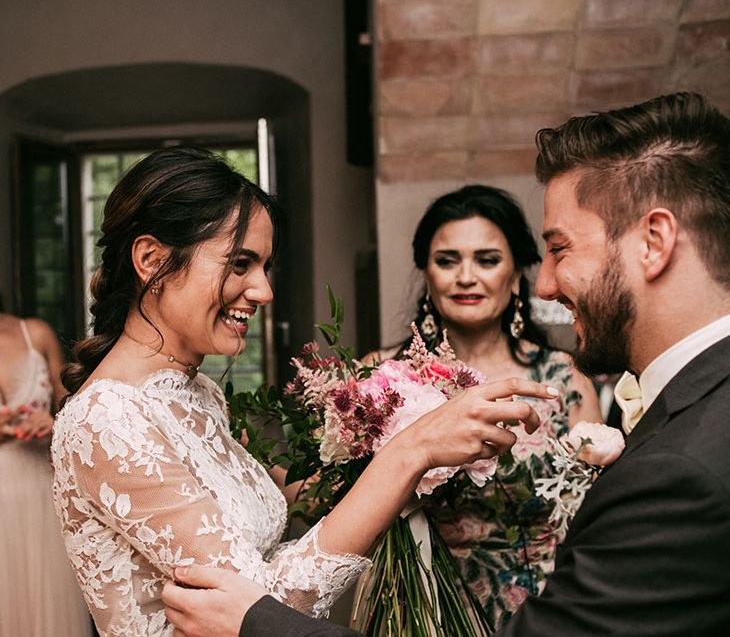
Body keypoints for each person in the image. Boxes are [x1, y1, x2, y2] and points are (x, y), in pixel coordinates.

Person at [162, 92, 730, 637]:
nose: (548, 284)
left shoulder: (675, 465)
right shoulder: (379, 375)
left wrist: (259, 624)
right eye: (447, 260)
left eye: (558, 249)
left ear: (654, 241)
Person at [50, 146, 552, 637]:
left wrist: (379, 454)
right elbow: (256, 611)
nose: (264, 291)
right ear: (152, 259)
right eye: (240, 263)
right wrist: (408, 452)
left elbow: (258, 565)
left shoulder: (197, 393)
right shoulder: (108, 419)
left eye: (264, 267)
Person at [362, 185, 602, 629]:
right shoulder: (379, 378)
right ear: (427, 273)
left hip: (544, 613)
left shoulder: (564, 378)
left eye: (487, 260)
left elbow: (593, 516)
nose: (465, 276)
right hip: (420, 612)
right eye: (447, 260)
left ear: (515, 275)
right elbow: (333, 504)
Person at [0, 308, 92, 637]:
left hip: (42, 487)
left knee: (49, 596)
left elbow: (73, 407)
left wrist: (54, 424)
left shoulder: (34, 332)